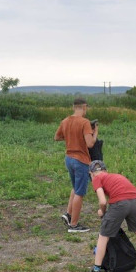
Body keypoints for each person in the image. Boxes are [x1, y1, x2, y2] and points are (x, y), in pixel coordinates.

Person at [86, 160, 136, 272]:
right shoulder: (115, 176)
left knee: (104, 235)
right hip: (135, 199)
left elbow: (103, 201)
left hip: (120, 203)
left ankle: (96, 271)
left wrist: (102, 212)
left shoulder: (96, 179)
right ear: (105, 170)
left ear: (91, 173)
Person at [54, 97, 99, 233]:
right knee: (80, 192)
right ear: (84, 107)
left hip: (69, 158)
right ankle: (74, 225)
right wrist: (95, 131)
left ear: (74, 107)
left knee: (75, 187)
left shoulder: (65, 121)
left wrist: (70, 137)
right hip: (81, 160)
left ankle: (68, 214)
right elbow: (90, 143)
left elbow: (57, 137)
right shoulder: (85, 122)